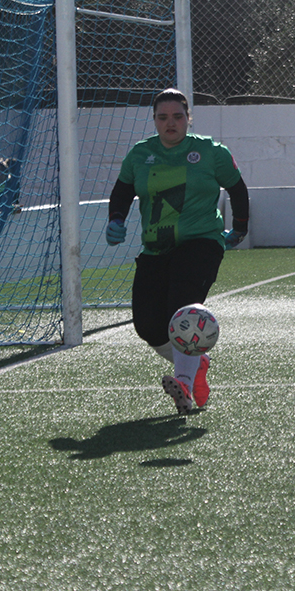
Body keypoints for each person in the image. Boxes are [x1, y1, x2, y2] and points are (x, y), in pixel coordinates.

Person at [106, 88, 249, 415]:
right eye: (163, 117)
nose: (170, 123)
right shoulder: (140, 154)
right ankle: (197, 363)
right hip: (156, 248)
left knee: (180, 307)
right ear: (155, 120)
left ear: (188, 118)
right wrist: (116, 219)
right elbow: (123, 190)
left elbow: (237, 188)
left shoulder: (210, 152)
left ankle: (182, 381)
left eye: (177, 116)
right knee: (148, 326)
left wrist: (239, 227)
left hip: (201, 242)